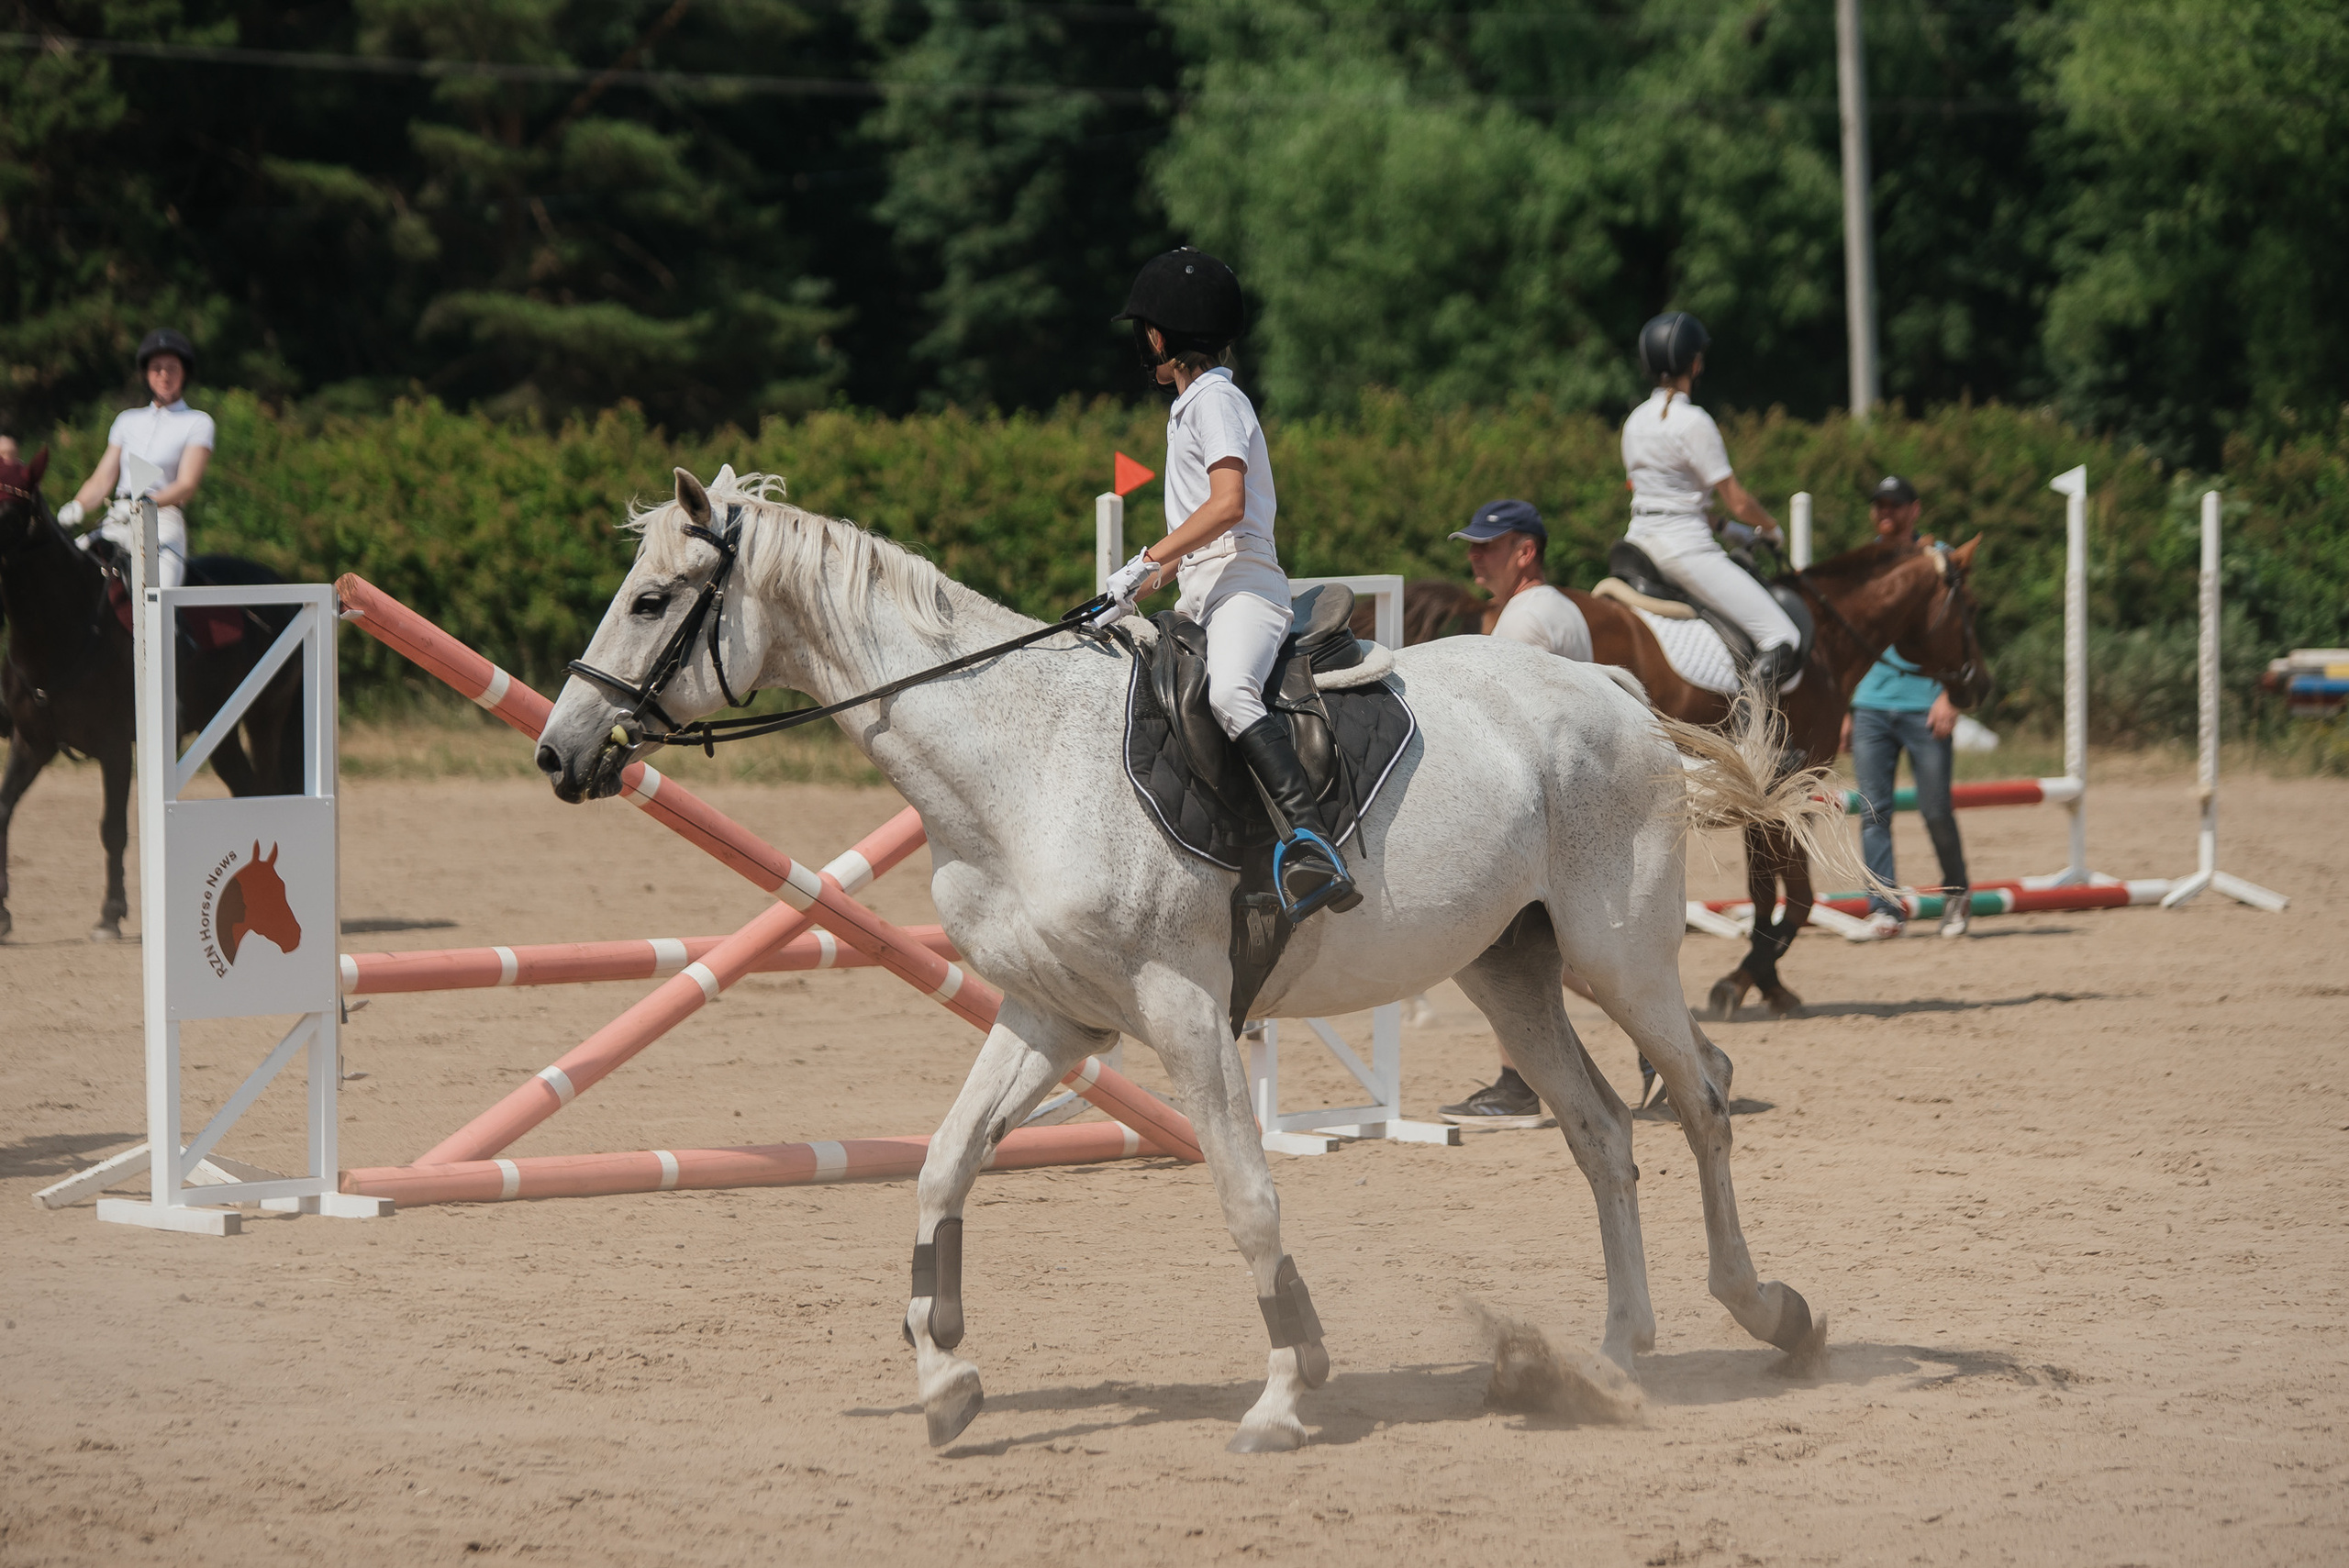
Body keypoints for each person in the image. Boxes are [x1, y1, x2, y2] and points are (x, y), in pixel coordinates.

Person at [1099, 248, 1356, 918]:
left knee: (1233, 691)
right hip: (1203, 591)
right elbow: (1199, 534)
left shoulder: (1216, 399)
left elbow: (1227, 505)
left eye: (1145, 329)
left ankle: (1312, 842)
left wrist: (1144, 556)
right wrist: (1140, 583)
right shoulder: (1190, 407)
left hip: (1245, 591)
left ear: (1160, 335)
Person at [1434, 497, 1593, 1129]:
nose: (1474, 556)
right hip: (1572, 798)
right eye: (1472, 544)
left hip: (1537, 807)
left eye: (1487, 546)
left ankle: (1517, 1082)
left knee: (1496, 942)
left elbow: (1499, 723)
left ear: (1525, 552)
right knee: (1550, 949)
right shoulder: (1561, 609)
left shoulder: (1522, 622)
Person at [1620, 312, 1802, 695]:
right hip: (1682, 549)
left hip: (1638, 541)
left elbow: (1671, 496)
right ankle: (1755, 745)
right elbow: (1738, 501)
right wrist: (1770, 529)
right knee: (1783, 638)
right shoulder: (1693, 421)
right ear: (1696, 363)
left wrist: (1729, 531)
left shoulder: (1634, 421)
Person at [1842, 475, 1971, 940]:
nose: (1886, 513)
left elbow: (1959, 633)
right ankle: (1885, 909)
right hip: (1871, 705)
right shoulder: (1866, 565)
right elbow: (1849, 645)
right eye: (1879, 505)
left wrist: (1949, 696)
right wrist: (1845, 707)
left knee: (1936, 809)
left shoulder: (1939, 559)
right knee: (1874, 811)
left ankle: (1957, 893)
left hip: (1924, 706)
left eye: (1895, 505)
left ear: (1915, 510)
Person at [57, 328, 214, 588]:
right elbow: (103, 478)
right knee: (65, 572)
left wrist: (144, 504)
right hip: (117, 519)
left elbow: (187, 485)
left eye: (172, 368)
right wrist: (78, 506)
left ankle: (170, 629)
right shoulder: (127, 420)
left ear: (184, 372)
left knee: (160, 599)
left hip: (162, 521)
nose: (164, 375)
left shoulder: (197, 422)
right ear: (146, 373)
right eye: (157, 368)